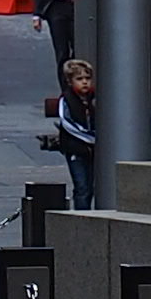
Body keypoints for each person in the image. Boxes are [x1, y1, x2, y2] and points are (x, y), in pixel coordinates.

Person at [49, 56, 104, 213]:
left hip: (93, 150)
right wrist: (92, 137)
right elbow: (68, 123)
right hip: (76, 149)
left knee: (91, 186)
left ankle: (86, 211)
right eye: (79, 79)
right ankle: (82, 214)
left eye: (87, 78)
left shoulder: (95, 98)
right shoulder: (67, 100)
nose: (85, 82)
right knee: (82, 187)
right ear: (70, 81)